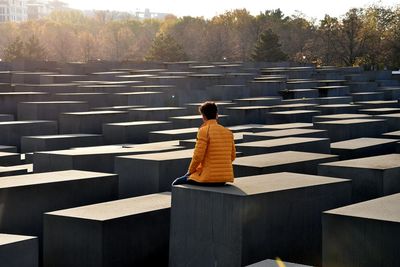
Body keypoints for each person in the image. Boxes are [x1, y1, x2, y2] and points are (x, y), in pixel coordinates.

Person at [172, 101, 236, 185]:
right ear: (217, 115)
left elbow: (198, 156)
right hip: (224, 178)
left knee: (177, 182)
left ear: (203, 116)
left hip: (208, 178)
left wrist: (190, 172)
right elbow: (233, 156)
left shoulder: (204, 131)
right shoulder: (228, 132)